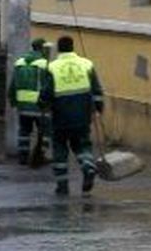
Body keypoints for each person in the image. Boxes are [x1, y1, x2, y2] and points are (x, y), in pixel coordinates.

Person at [38, 36, 103, 195]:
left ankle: (62, 185)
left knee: (60, 149)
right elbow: (97, 91)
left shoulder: (53, 67)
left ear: (58, 49)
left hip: (61, 117)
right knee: (82, 145)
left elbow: (46, 93)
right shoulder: (86, 64)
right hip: (82, 116)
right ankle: (88, 168)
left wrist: (41, 104)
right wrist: (98, 109)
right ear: (73, 47)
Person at [8, 38, 49, 164]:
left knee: (24, 131)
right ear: (42, 48)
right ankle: (40, 155)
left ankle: (23, 156)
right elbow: (47, 85)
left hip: (23, 105)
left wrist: (13, 101)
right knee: (46, 131)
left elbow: (13, 84)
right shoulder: (44, 64)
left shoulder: (19, 62)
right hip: (39, 105)